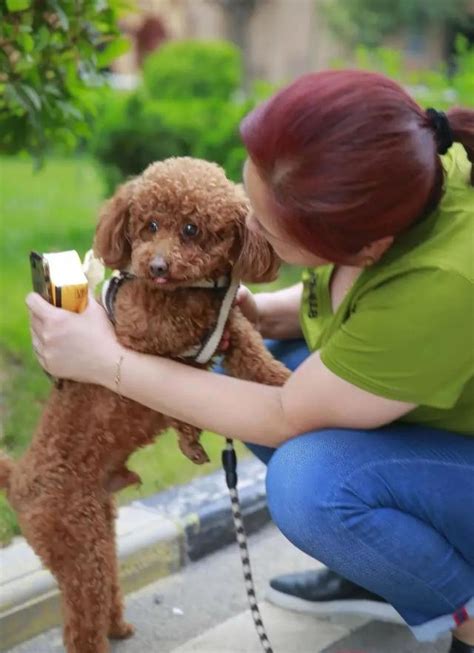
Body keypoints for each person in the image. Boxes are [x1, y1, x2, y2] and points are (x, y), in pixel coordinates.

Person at [26, 70, 473, 652]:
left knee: (311, 482)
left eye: (269, 231)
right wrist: (249, 313)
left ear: (367, 248)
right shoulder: (398, 177)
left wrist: (103, 361)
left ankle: (461, 608)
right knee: (245, 353)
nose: (250, 230)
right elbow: (354, 309)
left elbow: (288, 412)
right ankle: (381, 566)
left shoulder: (448, 280)